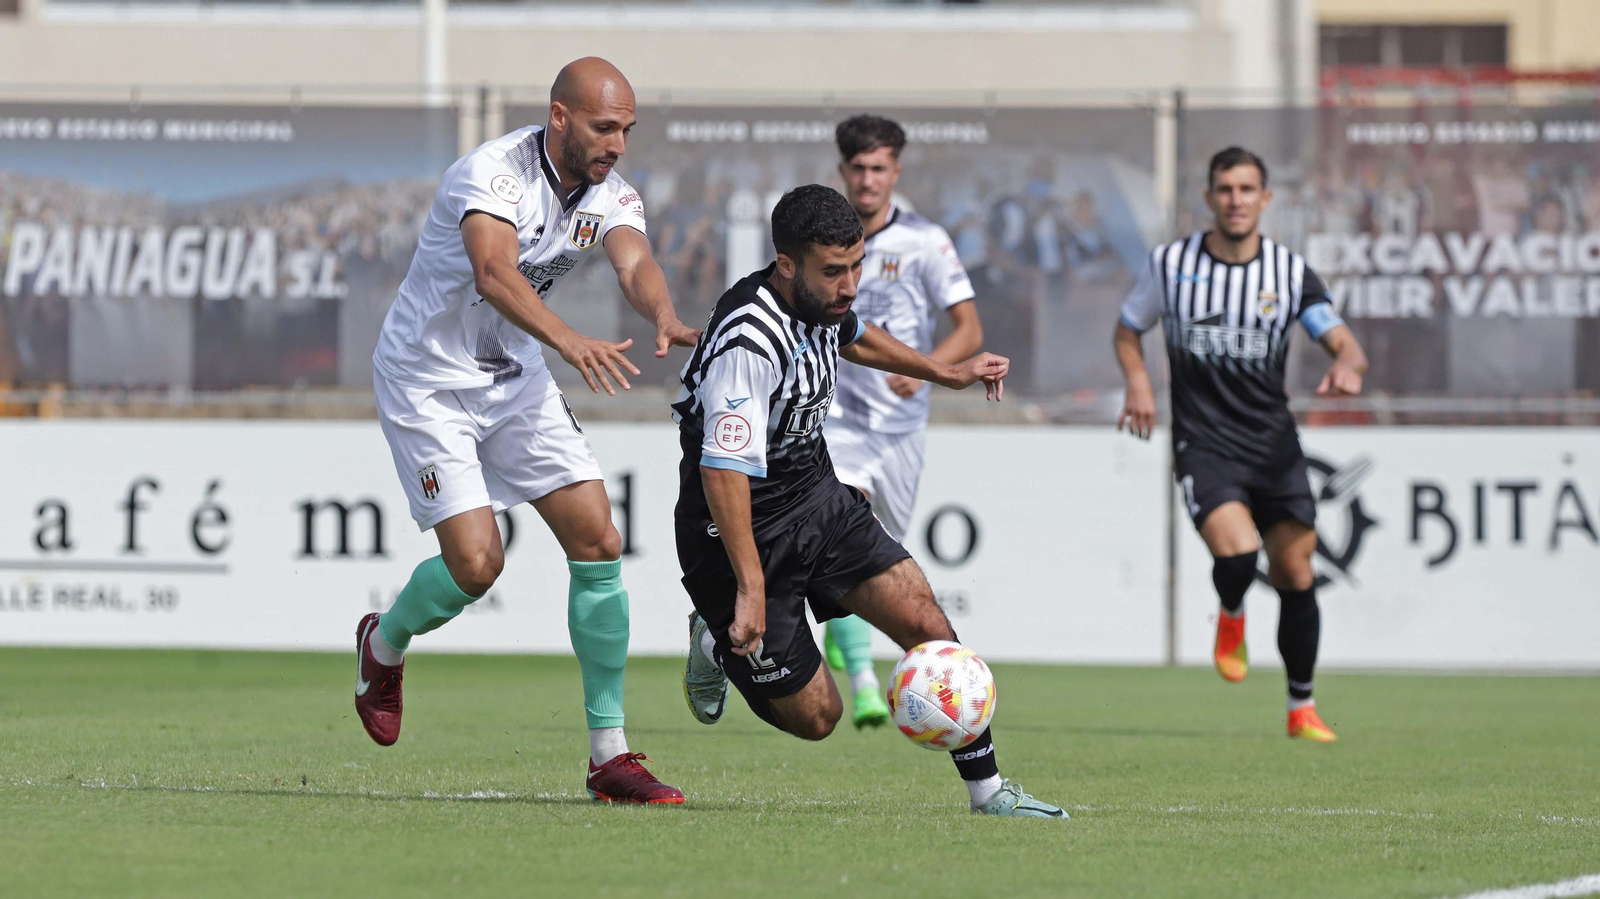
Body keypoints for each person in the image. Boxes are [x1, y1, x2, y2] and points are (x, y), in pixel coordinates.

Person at [354, 57, 700, 803]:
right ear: (560, 117)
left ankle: (609, 756)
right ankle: (382, 644)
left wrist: (663, 314)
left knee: (599, 538)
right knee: (479, 565)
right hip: (428, 380)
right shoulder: (492, 173)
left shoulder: (611, 194)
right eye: (605, 126)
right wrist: (571, 342)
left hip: (512, 378)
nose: (617, 143)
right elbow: (494, 273)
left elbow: (634, 260)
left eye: (628, 130)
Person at [674, 184, 1065, 817]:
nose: (851, 284)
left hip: (817, 497)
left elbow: (857, 334)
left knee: (928, 626)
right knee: (819, 717)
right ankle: (717, 639)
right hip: (737, 525)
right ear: (786, 266)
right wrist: (748, 587)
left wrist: (947, 371)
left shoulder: (823, 300)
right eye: (835, 272)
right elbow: (722, 472)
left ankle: (989, 793)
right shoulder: (748, 341)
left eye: (857, 265)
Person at [1113, 147, 1369, 742]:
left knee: (1296, 572)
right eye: (1225, 189)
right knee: (1235, 554)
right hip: (1205, 444)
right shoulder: (1171, 265)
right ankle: (1231, 613)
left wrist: (1349, 366)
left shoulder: (1287, 273)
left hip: (1274, 447)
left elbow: (1343, 343)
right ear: (1209, 198)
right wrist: (1138, 382)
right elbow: (1128, 330)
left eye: (1247, 189)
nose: (1235, 200)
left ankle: (1301, 708)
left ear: (1265, 199)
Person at [820, 115, 984, 729]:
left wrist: (928, 368)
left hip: (903, 429)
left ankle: (853, 655)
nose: (867, 179)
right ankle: (863, 682)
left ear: (896, 171)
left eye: (878, 168)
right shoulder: (822, 242)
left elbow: (968, 327)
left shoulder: (925, 241)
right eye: (857, 168)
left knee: (875, 559)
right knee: (843, 523)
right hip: (834, 421)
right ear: (843, 172)